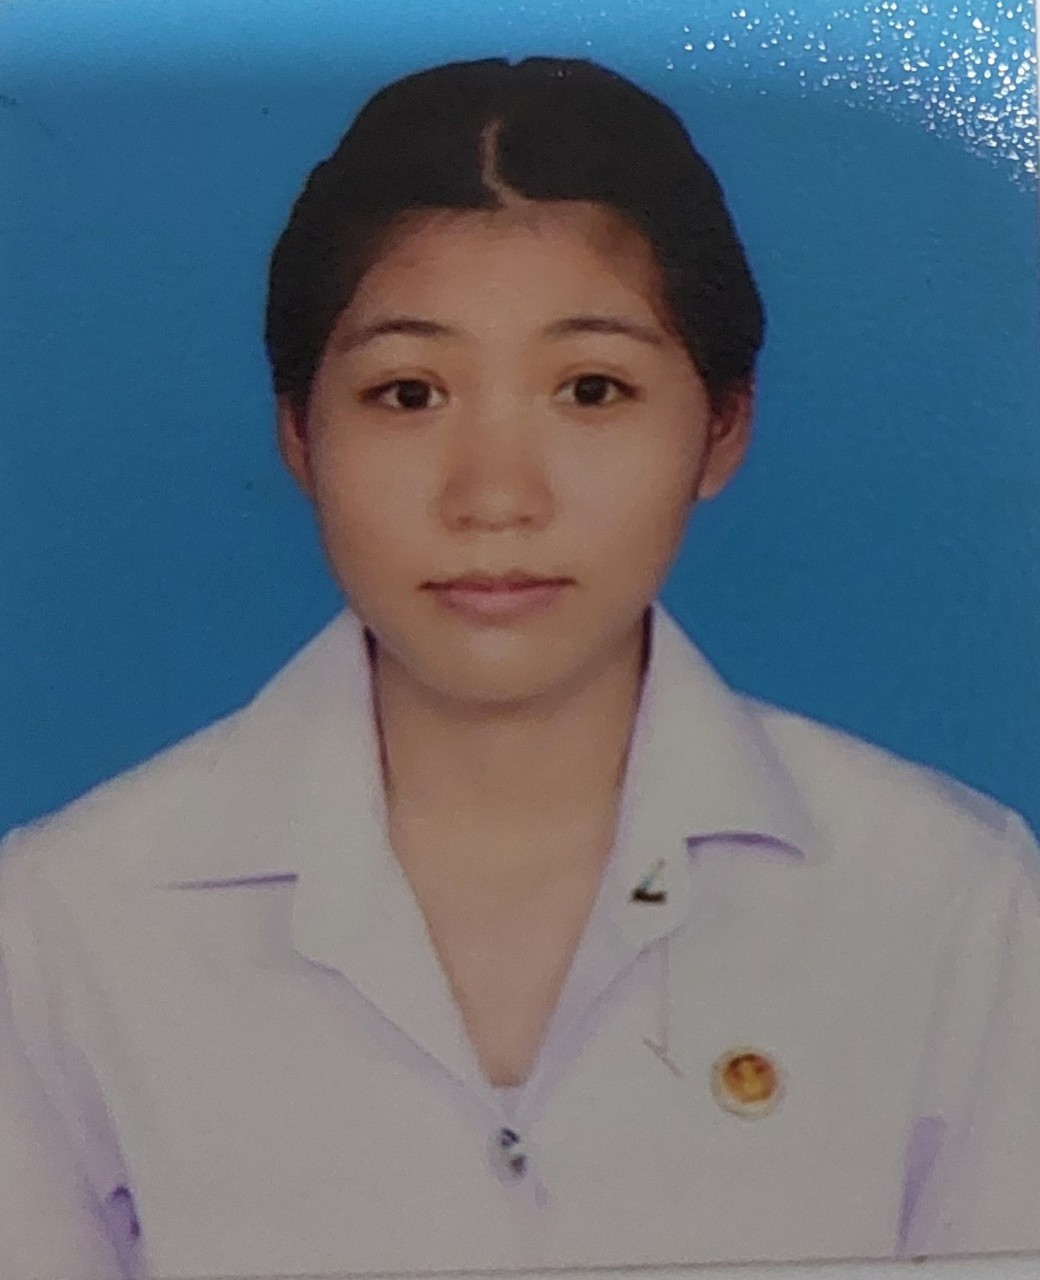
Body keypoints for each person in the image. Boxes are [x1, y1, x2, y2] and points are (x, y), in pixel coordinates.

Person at [2, 54, 1039, 1280]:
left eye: (590, 388)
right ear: (298, 434)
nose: (495, 495)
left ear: (720, 426)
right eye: (407, 393)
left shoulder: (947, 899)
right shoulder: (63, 925)